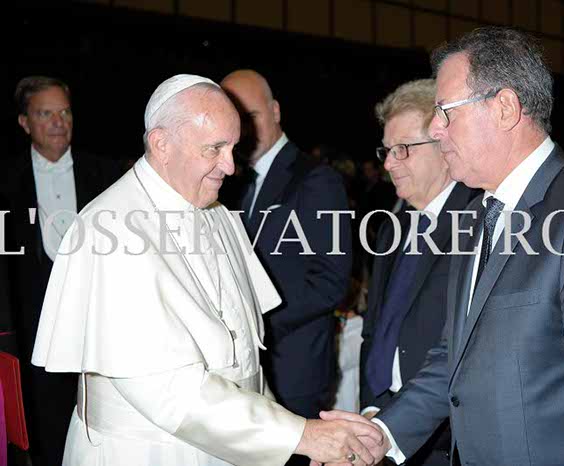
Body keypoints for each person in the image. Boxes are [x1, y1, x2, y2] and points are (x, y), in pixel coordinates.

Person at [325, 26, 564, 466]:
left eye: (446, 112)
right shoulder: (480, 216)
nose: (436, 128)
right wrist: (382, 437)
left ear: (505, 107)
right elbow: (455, 358)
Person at [30, 74, 383, 466]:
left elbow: (246, 358)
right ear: (161, 144)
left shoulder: (218, 215)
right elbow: (168, 392)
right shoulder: (109, 228)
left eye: (233, 148)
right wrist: (300, 436)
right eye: (214, 148)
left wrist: (290, 439)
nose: (230, 167)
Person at [219, 71, 352, 432]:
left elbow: (330, 281)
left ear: (275, 111)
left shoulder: (317, 180)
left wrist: (254, 324)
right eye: (236, 119)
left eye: (252, 117)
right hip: (244, 370)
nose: (244, 130)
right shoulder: (233, 184)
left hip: (294, 368)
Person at [0, 75, 121, 466]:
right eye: (45, 113)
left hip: (100, 335)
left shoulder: (107, 176)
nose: (57, 121)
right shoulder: (4, 181)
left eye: (64, 111)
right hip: (36, 337)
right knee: (48, 437)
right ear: (24, 122)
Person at [359, 79, 477, 466]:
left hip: (442, 436)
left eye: (403, 149)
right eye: (387, 150)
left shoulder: (479, 225)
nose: (389, 163)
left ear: (445, 146)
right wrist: (373, 408)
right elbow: (376, 328)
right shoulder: (393, 223)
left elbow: (468, 355)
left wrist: (398, 425)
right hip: (381, 417)